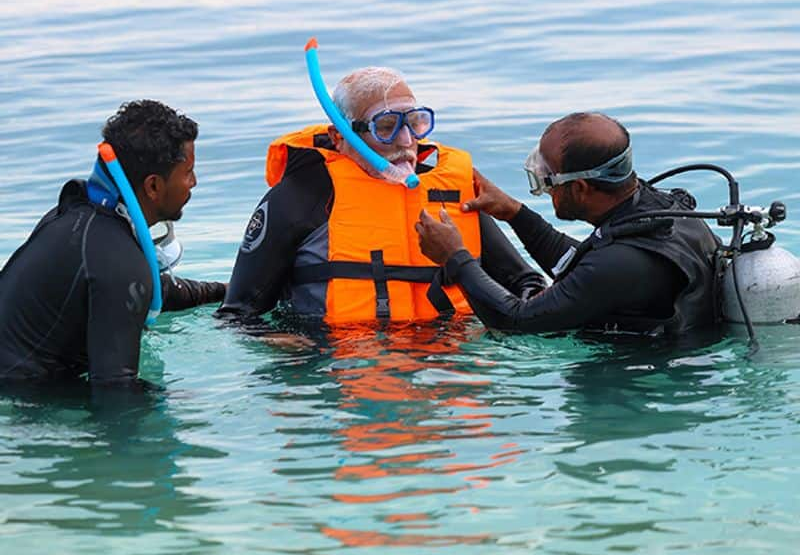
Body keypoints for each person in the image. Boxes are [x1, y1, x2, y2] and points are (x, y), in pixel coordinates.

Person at [218, 67, 545, 326]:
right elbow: (236, 315)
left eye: (415, 123)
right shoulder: (301, 197)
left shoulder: (449, 193)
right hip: (336, 370)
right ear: (339, 135)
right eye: (385, 126)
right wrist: (285, 349)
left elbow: (527, 283)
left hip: (446, 367)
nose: (406, 141)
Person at [416, 112, 719, 336]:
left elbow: (517, 321)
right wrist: (514, 213)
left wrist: (454, 258)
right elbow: (582, 268)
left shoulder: (618, 263)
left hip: (643, 387)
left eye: (546, 180)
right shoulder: (665, 212)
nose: (545, 190)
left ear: (580, 188)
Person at [0, 100, 226, 386]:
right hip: (22, 399)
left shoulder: (79, 220)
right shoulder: (119, 261)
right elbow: (116, 392)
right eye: (188, 172)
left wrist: (221, 291)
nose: (194, 182)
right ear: (153, 186)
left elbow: (144, 288)